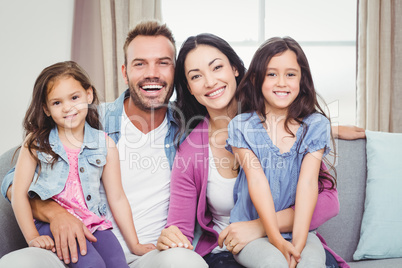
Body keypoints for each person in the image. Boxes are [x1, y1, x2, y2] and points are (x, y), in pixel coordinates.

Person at [0, 21, 207, 268]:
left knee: (187, 263)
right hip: (66, 247)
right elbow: (13, 183)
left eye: (163, 62)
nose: (152, 72)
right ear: (124, 71)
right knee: (15, 264)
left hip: (152, 255)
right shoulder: (87, 119)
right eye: (140, 63)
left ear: (176, 71)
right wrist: (56, 214)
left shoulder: (190, 130)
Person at [156, 33, 349, 268]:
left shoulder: (286, 117)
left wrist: (256, 227)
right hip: (232, 251)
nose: (209, 81)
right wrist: (170, 237)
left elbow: (328, 201)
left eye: (217, 67)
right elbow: (180, 229)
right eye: (196, 76)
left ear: (235, 68)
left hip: (291, 238)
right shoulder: (190, 151)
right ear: (189, 87)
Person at [9, 61, 155, 267]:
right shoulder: (36, 143)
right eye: (57, 103)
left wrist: (135, 244)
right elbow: (18, 194)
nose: (68, 107)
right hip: (53, 224)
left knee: (117, 263)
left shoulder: (105, 144)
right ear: (46, 109)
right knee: (92, 264)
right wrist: (32, 236)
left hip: (94, 222)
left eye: (74, 97)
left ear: (89, 95)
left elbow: (118, 197)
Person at [226, 36, 334, 267]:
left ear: (302, 79)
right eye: (272, 74)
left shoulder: (315, 126)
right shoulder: (241, 126)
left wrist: (298, 243)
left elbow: (307, 184)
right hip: (251, 234)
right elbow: (257, 181)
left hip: (301, 231)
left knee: (310, 264)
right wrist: (275, 238)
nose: (282, 82)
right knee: (274, 263)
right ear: (256, 79)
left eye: (291, 74)